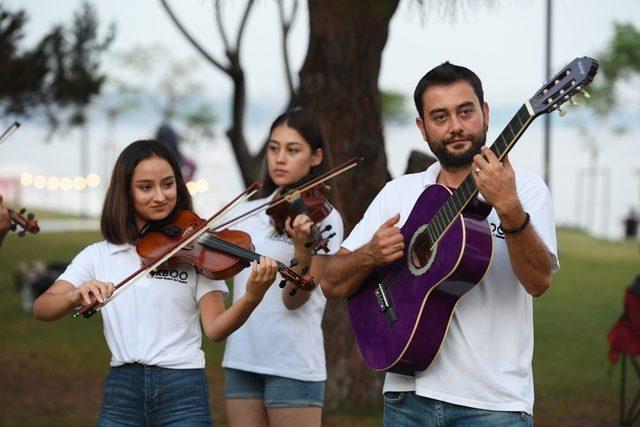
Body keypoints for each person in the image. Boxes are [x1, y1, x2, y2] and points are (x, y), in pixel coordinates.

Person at [322, 62, 559, 425]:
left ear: (486, 112)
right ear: (422, 127)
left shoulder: (525, 190)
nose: (456, 127)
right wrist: (368, 255)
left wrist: (509, 208)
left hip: (493, 405)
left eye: (466, 111)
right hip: (406, 397)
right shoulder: (399, 193)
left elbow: (538, 281)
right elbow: (331, 281)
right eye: (439, 116)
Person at [33, 139, 279, 426]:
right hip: (123, 389)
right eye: (146, 187)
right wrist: (74, 295)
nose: (160, 196)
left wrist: (252, 297)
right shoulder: (100, 254)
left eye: (168, 184)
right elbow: (43, 308)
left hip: (183, 389)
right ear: (125, 192)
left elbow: (215, 329)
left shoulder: (194, 249)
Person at [222, 109, 344, 427]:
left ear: (316, 157)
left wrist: (302, 249)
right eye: (274, 148)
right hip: (242, 357)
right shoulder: (248, 211)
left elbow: (295, 299)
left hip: (291, 362)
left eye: (292, 150)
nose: (280, 158)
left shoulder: (324, 219)